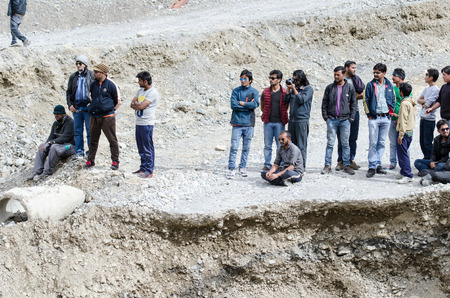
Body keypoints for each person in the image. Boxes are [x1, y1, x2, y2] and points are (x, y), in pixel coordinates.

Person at [321, 66, 357, 175]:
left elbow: (354, 104)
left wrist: (351, 118)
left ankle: (346, 165)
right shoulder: (330, 87)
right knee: (330, 143)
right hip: (332, 119)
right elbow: (324, 103)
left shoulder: (350, 88)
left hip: (345, 120)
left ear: (343, 74)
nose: (336, 77)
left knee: (345, 143)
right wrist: (326, 117)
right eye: (335, 74)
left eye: (338, 75)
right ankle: (327, 165)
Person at [85, 63, 121, 170]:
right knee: (93, 140)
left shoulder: (111, 84)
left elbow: (117, 101)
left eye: (96, 72)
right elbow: (91, 97)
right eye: (94, 72)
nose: (94, 74)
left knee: (112, 140)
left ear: (103, 73)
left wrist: (110, 110)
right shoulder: (93, 84)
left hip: (107, 116)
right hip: (94, 116)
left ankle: (115, 161)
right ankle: (90, 160)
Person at [363, 63, 396, 178]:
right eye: (374, 72)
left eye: (378, 72)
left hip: (386, 117)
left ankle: (378, 164)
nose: (375, 74)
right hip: (374, 117)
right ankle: (372, 166)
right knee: (373, 142)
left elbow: (393, 99)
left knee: (381, 142)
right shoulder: (370, 85)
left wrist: (390, 113)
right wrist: (369, 114)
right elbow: (365, 99)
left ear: (384, 73)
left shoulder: (389, 85)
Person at [26, 105, 75, 181]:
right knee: (41, 146)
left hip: (69, 146)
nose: (56, 116)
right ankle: (37, 171)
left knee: (53, 147)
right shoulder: (56, 124)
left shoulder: (70, 122)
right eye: (55, 114)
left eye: (57, 114)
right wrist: (46, 144)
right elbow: (51, 137)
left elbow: (65, 137)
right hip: (59, 145)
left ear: (63, 114)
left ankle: (47, 171)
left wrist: (51, 143)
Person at [226, 69, 259, 179]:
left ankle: (242, 167)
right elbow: (233, 105)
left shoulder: (254, 92)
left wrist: (242, 103)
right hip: (237, 123)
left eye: (245, 79)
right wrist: (247, 106)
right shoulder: (236, 91)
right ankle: (231, 168)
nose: (242, 80)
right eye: (241, 78)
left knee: (246, 148)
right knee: (234, 147)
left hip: (249, 124)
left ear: (250, 80)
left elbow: (255, 105)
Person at [336, 61, 365, 171]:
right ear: (346, 68)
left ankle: (351, 159)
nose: (354, 70)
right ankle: (341, 160)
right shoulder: (340, 80)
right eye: (352, 68)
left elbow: (363, 93)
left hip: (354, 112)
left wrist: (351, 97)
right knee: (342, 138)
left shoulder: (356, 80)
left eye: (355, 68)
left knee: (353, 137)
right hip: (342, 113)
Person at [130, 71, 158, 178]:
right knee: (141, 147)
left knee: (147, 147)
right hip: (139, 122)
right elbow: (132, 104)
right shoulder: (140, 91)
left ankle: (149, 170)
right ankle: (143, 168)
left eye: (140, 81)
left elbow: (141, 106)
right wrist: (138, 105)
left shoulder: (152, 92)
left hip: (147, 123)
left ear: (145, 81)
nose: (138, 82)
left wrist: (138, 105)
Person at [66, 55, 95, 158]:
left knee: (89, 131)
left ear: (85, 64)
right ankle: (79, 152)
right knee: (78, 132)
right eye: (77, 64)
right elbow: (69, 92)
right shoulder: (73, 77)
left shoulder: (91, 75)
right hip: (77, 108)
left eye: (80, 64)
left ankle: (90, 153)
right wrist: (70, 105)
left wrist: (93, 104)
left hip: (88, 108)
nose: (78, 66)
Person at [284, 69, 313, 170]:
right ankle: (292, 165)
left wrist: (294, 89)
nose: (295, 82)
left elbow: (301, 100)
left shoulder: (308, 89)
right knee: (292, 145)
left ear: (301, 79)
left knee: (301, 145)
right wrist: (288, 88)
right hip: (292, 120)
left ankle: (302, 167)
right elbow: (285, 100)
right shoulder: (293, 88)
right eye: (294, 80)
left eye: (296, 80)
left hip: (302, 120)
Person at [260, 70, 288, 171]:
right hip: (268, 122)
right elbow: (262, 104)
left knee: (280, 144)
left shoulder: (284, 92)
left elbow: (286, 106)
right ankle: (267, 164)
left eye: (273, 78)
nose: (270, 80)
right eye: (270, 78)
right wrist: (265, 113)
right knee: (267, 144)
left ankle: (279, 164)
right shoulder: (266, 91)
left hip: (280, 123)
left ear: (279, 80)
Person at [395, 83, 416, 184]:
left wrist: (401, 135)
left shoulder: (404, 104)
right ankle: (403, 171)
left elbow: (403, 120)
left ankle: (408, 174)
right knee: (404, 152)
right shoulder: (411, 102)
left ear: (401, 92)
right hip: (410, 131)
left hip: (404, 132)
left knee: (403, 154)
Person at [417, 69, 440, 159]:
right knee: (422, 141)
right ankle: (426, 158)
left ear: (431, 77)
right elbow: (419, 100)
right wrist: (424, 101)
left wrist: (424, 102)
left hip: (429, 119)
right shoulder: (427, 88)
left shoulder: (435, 90)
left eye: (427, 75)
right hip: (423, 118)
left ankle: (429, 160)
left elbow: (427, 105)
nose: (425, 76)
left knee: (427, 142)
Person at [386, 68, 406, 170]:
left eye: (394, 75)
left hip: (401, 120)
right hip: (392, 118)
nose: (392, 77)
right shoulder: (392, 89)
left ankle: (404, 164)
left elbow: (406, 104)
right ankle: (392, 162)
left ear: (400, 77)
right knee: (393, 142)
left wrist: (400, 118)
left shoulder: (405, 89)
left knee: (402, 142)